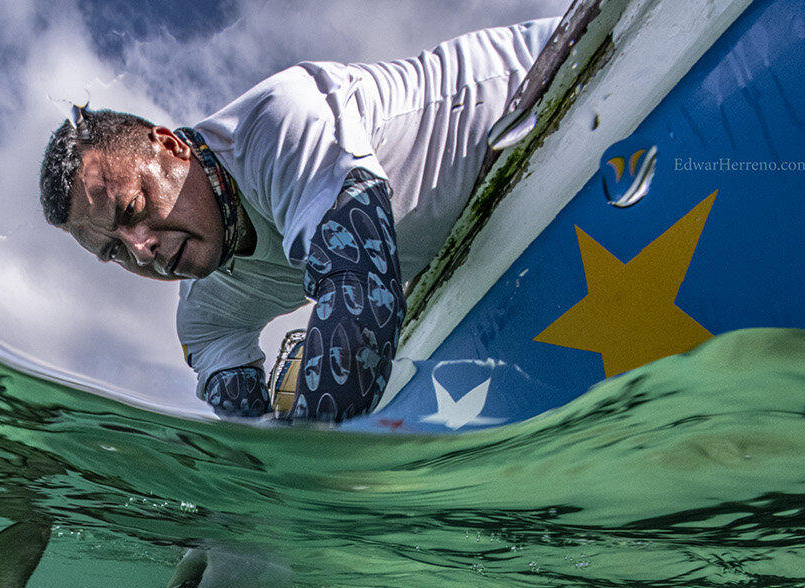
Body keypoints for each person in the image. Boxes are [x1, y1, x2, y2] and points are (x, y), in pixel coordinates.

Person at [39, 18, 559, 423]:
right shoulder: (203, 317)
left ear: (171, 146)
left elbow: (362, 290)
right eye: (114, 252)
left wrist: (291, 519)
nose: (141, 249)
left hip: (557, 73)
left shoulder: (279, 120)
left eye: (132, 210)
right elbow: (250, 437)